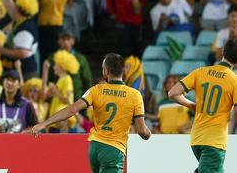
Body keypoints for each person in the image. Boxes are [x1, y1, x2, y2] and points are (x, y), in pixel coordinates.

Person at [28, 53, 151, 173]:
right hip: (114, 149)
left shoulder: (95, 90)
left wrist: (44, 124)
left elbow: (72, 109)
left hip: (94, 148)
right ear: (123, 71)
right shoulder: (135, 95)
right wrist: (148, 135)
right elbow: (141, 130)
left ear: (106, 71)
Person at [168, 38, 237, 173]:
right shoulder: (234, 80)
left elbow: (173, 93)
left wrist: (192, 105)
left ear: (223, 51)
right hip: (215, 142)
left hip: (196, 139)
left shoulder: (200, 71)